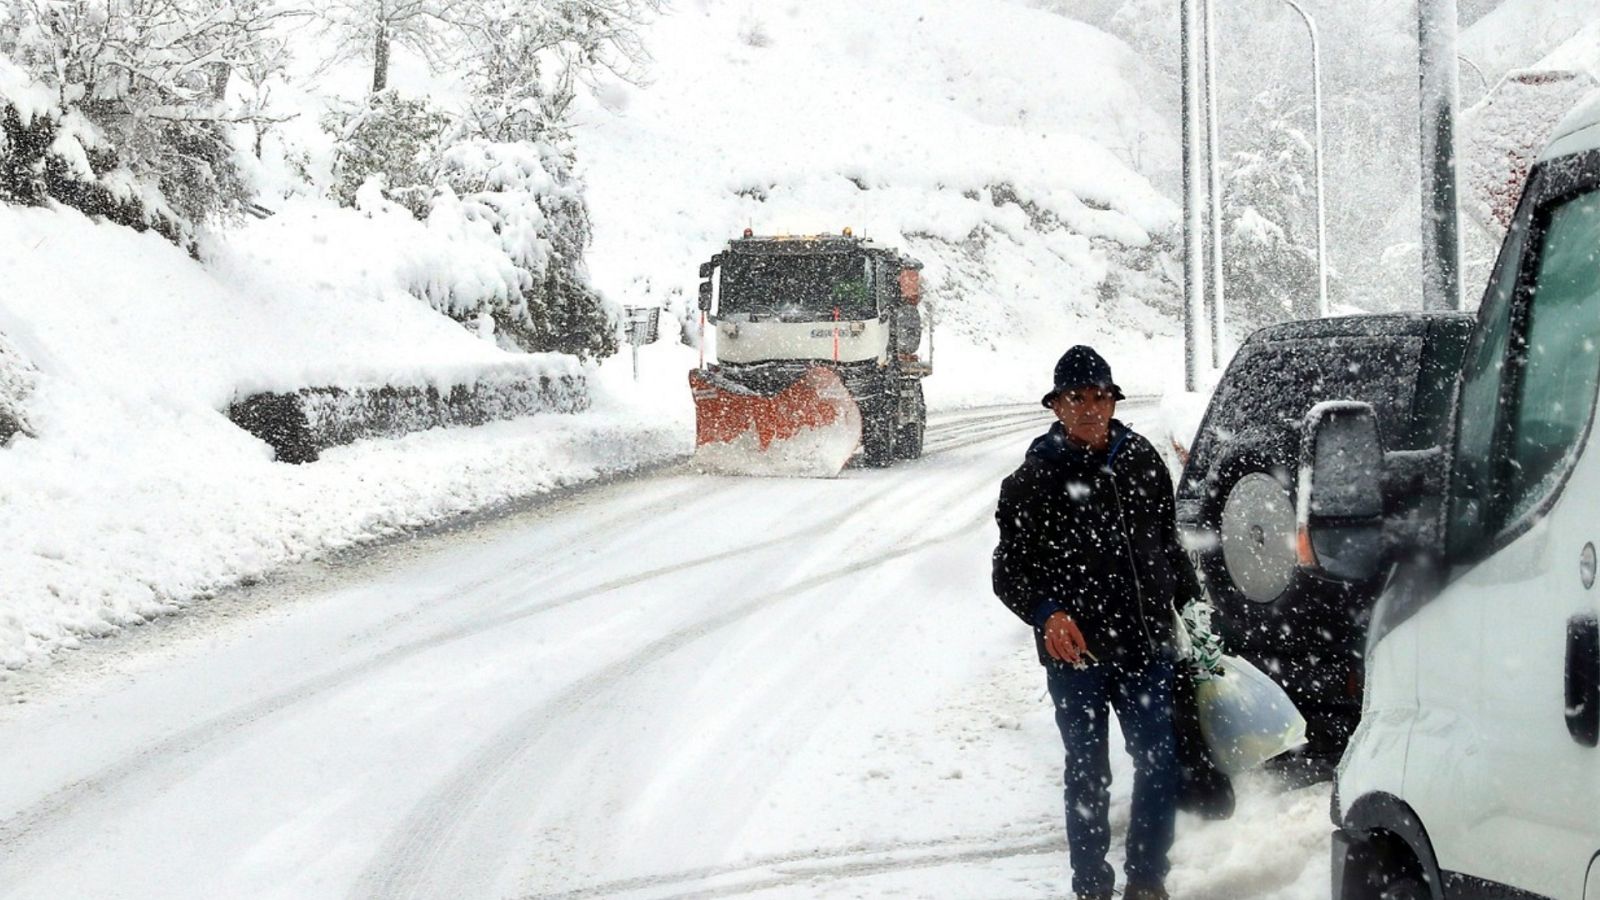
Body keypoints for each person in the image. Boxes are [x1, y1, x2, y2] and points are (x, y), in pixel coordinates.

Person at [991, 345, 1202, 900]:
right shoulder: (1032, 480)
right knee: (1088, 773)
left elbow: (1167, 544)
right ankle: (1091, 887)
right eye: (1076, 397)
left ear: (1113, 401)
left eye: (1100, 396)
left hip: (1145, 645)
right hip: (1076, 656)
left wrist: (1193, 607)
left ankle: (1147, 882)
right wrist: (1047, 614)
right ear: (1056, 406)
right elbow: (1009, 571)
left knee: (1158, 763)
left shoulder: (1142, 461)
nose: (1090, 408)